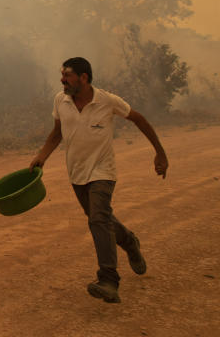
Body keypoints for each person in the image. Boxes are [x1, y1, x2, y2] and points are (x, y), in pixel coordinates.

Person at [29, 57, 168, 303]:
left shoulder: (106, 101)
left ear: (84, 77)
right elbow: (57, 132)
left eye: (68, 75)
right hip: (77, 172)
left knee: (98, 218)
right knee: (100, 218)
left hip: (103, 171)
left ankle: (108, 280)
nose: (62, 79)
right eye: (62, 74)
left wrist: (160, 152)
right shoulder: (60, 100)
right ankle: (129, 242)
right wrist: (42, 157)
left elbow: (139, 119)